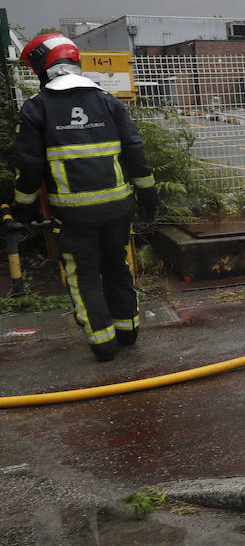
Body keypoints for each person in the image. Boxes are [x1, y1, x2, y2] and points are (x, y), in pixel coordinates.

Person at [12, 34, 158, 361]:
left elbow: (29, 167)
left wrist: (23, 208)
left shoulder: (37, 109)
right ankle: (128, 329)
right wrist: (149, 193)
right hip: (119, 207)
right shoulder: (108, 102)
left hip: (74, 215)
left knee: (84, 273)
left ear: (43, 67)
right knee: (117, 265)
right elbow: (135, 152)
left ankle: (103, 343)